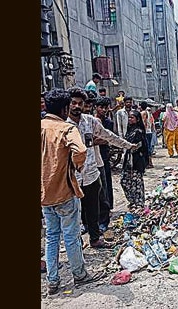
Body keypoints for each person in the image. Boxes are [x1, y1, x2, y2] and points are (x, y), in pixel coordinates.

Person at [41, 88, 105, 295]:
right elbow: (81, 151)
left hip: (44, 192)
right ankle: (79, 275)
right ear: (64, 108)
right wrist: (76, 166)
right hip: (65, 191)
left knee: (51, 236)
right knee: (71, 235)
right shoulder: (67, 129)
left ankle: (52, 281)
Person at [66, 87, 137, 249]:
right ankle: (75, 244)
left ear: (84, 105)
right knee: (74, 213)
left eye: (80, 103)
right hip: (72, 178)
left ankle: (95, 238)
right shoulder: (63, 126)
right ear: (68, 105)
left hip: (91, 174)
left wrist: (127, 145)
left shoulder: (90, 121)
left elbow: (108, 136)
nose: (77, 106)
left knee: (93, 209)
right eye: (73, 103)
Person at [94, 96, 116, 228]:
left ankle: (106, 214)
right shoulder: (90, 120)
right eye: (101, 107)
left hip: (103, 155)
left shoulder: (107, 122)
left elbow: (107, 139)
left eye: (105, 107)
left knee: (106, 184)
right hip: (93, 157)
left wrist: (93, 140)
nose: (103, 110)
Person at [121, 109, 149, 211]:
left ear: (137, 119)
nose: (130, 119)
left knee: (136, 183)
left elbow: (140, 146)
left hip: (137, 161)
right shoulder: (130, 130)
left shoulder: (139, 132)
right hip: (128, 160)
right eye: (129, 117)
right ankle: (132, 201)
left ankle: (139, 203)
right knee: (124, 182)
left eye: (132, 117)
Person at [139, 102, 154, 168]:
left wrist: (143, 131)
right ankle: (149, 162)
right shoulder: (148, 112)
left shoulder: (143, 113)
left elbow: (144, 122)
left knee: (146, 148)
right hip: (149, 131)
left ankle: (149, 162)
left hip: (146, 132)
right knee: (148, 147)